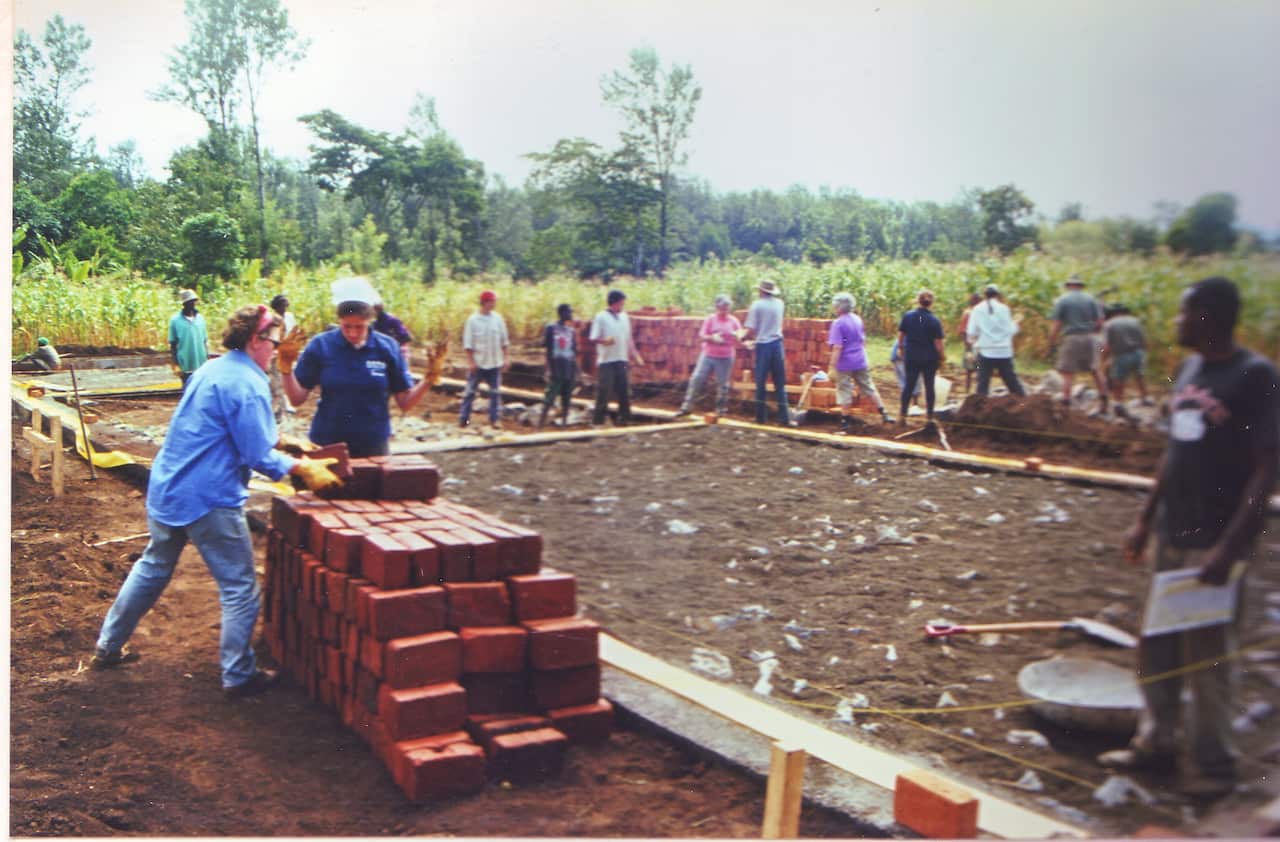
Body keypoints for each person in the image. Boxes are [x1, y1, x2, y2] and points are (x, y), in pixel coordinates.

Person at [90, 304, 344, 697]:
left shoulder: (213, 369)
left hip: (169, 486)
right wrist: (301, 468)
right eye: (273, 342)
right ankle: (239, 675)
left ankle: (107, 647)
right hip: (208, 497)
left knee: (153, 566)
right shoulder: (248, 383)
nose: (276, 350)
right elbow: (257, 455)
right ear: (256, 339)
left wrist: (283, 441)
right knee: (240, 586)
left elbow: (225, 426)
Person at [1097, 276, 1278, 799]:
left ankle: (1214, 767)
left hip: (1213, 540)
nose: (1176, 321)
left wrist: (1230, 547)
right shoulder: (1191, 370)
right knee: (1157, 646)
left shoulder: (1255, 376)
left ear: (1210, 315)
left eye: (1183, 312)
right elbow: (1174, 454)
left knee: (1208, 657)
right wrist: (1144, 519)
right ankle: (1155, 744)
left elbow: (1267, 469)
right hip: (1172, 532)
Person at [278, 276, 435, 457]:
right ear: (339, 320)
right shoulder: (321, 345)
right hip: (328, 441)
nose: (352, 333)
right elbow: (297, 399)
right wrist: (286, 369)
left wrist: (429, 379)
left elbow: (405, 403)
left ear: (370, 321)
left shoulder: (387, 348)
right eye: (347, 326)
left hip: (373, 444)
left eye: (359, 327)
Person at [826, 292, 891, 432]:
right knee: (868, 386)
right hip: (860, 359)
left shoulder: (838, 323)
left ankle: (845, 420)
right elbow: (863, 341)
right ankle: (884, 413)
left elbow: (838, 347)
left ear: (839, 307)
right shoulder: (857, 319)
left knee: (844, 389)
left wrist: (832, 366)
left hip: (845, 362)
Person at [675, 294, 741, 418]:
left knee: (723, 384)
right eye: (722, 307)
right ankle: (686, 408)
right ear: (717, 307)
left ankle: (721, 410)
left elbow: (739, 338)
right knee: (697, 379)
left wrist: (741, 339)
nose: (725, 309)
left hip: (725, 356)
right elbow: (702, 336)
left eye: (727, 307)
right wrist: (712, 338)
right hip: (708, 355)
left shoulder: (734, 321)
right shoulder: (710, 319)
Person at [1048, 274, 1107, 409]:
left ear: (1069, 286)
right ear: (1081, 286)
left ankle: (1066, 401)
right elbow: (1100, 322)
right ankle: (1104, 396)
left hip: (1072, 338)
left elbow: (1057, 323)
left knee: (1068, 372)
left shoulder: (1063, 300)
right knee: (1095, 370)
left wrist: (1052, 341)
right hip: (1090, 337)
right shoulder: (1091, 299)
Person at [739, 279, 792, 426]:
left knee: (760, 383)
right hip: (777, 345)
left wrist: (740, 336)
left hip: (763, 346)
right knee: (780, 383)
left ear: (761, 291)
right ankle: (784, 419)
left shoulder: (757, 305)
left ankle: (761, 418)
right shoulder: (780, 304)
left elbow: (750, 329)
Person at [590, 289, 645, 426]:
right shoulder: (601, 317)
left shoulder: (624, 317)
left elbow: (629, 339)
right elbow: (593, 338)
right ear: (613, 303)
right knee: (604, 390)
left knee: (624, 389)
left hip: (622, 359)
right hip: (606, 360)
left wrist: (636, 355)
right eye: (621, 303)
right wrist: (604, 341)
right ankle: (598, 420)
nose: (622, 306)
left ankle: (625, 418)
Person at [459, 289, 510, 430]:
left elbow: (504, 341)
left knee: (495, 393)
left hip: (494, 362)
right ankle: (464, 419)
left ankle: (495, 420)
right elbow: (468, 344)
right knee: (470, 392)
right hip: (478, 363)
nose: (494, 304)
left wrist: (506, 358)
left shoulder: (498, 319)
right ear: (485, 302)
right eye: (492, 301)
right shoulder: (473, 320)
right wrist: (471, 362)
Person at [966, 284, 1026, 397]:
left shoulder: (977, 309)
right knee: (1011, 381)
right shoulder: (1004, 309)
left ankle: (980, 405)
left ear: (985, 295)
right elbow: (1010, 330)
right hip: (1004, 352)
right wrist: (1016, 323)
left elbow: (971, 333)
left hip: (986, 352)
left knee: (982, 383)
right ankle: (1024, 402)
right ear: (998, 295)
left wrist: (973, 346)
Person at [897, 289, 945, 424]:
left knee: (909, 385)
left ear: (918, 301)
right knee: (929, 386)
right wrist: (942, 357)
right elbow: (938, 343)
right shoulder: (934, 320)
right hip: (929, 358)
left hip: (912, 356)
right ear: (931, 303)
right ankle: (929, 418)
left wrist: (901, 348)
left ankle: (902, 416)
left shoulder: (908, 316)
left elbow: (901, 335)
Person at [1102, 304, 1151, 407]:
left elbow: (1107, 345)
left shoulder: (1109, 324)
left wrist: (1104, 358)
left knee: (1118, 379)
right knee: (1140, 376)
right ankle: (1146, 398)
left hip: (1122, 354)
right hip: (1138, 352)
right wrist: (1145, 352)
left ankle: (1118, 402)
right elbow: (1144, 340)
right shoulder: (1135, 321)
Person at [538, 304, 579, 429]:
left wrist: (576, 370)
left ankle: (564, 423)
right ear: (561, 313)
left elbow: (574, 351)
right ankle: (541, 423)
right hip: (556, 365)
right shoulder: (551, 328)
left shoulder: (571, 331)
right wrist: (548, 367)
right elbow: (548, 348)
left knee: (567, 396)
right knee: (551, 395)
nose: (570, 315)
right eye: (568, 312)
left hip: (569, 366)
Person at [169, 289, 209, 389]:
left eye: (193, 301)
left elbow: (204, 341)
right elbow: (173, 344)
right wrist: (175, 364)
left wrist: (207, 358)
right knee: (187, 389)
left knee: (201, 389)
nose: (192, 304)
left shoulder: (200, 319)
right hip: (185, 364)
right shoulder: (175, 321)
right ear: (184, 304)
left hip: (201, 362)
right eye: (189, 302)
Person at [269, 295, 298, 420]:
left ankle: (286, 405)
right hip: (276, 353)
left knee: (287, 378)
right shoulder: (272, 319)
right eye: (281, 306)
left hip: (287, 351)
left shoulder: (289, 317)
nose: (284, 308)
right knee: (277, 382)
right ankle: (279, 408)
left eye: (285, 306)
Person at [373, 297, 414, 371]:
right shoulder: (375, 324)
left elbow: (405, 338)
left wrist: (402, 354)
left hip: (396, 354)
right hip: (381, 356)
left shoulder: (392, 320)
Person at [957, 292, 982, 393]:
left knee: (975, 367)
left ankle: (974, 390)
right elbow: (962, 331)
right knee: (971, 368)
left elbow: (961, 331)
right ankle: (969, 390)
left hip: (977, 343)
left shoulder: (977, 313)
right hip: (973, 344)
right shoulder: (968, 313)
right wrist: (967, 344)